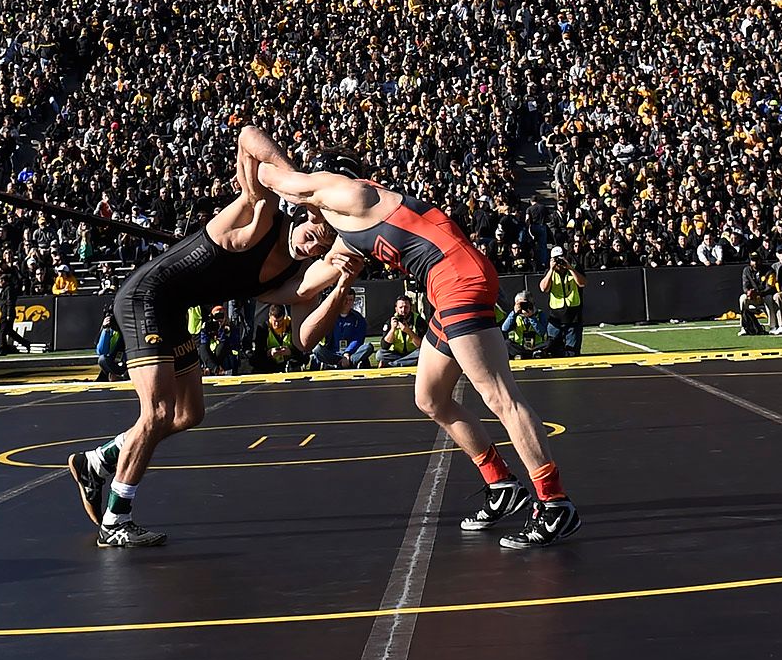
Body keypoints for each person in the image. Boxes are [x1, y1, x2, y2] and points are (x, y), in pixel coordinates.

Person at [241, 126, 580, 549]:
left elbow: (266, 163)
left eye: (309, 211)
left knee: (500, 397)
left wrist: (253, 211)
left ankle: (554, 504)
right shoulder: (350, 230)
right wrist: (240, 283)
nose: (309, 224)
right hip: (448, 284)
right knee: (431, 398)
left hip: (457, 279)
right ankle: (501, 485)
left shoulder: (343, 193)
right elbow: (304, 289)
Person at [67, 132, 361, 548]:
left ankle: (99, 461)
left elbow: (302, 340)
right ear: (307, 208)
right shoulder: (261, 209)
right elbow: (247, 136)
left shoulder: (292, 278)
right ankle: (117, 517)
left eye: (328, 235)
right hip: (145, 298)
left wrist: (342, 280)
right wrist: (296, 179)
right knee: (158, 410)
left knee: (189, 413)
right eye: (317, 221)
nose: (317, 235)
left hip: (171, 311)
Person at [309, 287, 373, 370]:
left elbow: (358, 339)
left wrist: (347, 353)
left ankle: (346, 363)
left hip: (351, 354)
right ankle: (343, 363)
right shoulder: (330, 317)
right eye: (345, 299)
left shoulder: (358, 319)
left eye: (350, 300)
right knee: (317, 349)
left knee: (368, 347)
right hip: (333, 353)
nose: (347, 302)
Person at [540, 247, 586, 356]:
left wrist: (570, 268)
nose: (559, 261)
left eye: (560, 258)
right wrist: (551, 269)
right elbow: (543, 288)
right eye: (556, 259)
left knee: (572, 352)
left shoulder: (574, 269)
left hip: (573, 316)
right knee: (552, 350)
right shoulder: (549, 273)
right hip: (556, 317)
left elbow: (582, 283)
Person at [378, 294, 421, 367]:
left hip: (412, 353)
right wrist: (392, 329)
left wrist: (408, 331)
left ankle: (392, 364)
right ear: (396, 309)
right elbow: (384, 346)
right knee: (379, 354)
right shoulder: (391, 321)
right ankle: (405, 361)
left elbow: (421, 345)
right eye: (401, 307)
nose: (403, 310)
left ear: (410, 308)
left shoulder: (418, 320)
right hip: (396, 354)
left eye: (406, 307)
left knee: (422, 353)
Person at [502, 292, 548, 358]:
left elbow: (542, 332)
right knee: (507, 343)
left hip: (536, 346)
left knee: (549, 343)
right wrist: (514, 313)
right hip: (520, 346)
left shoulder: (540, 314)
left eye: (525, 304)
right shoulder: (514, 315)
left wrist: (531, 317)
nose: (523, 306)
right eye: (520, 304)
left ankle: (535, 353)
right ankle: (521, 354)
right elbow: (504, 328)